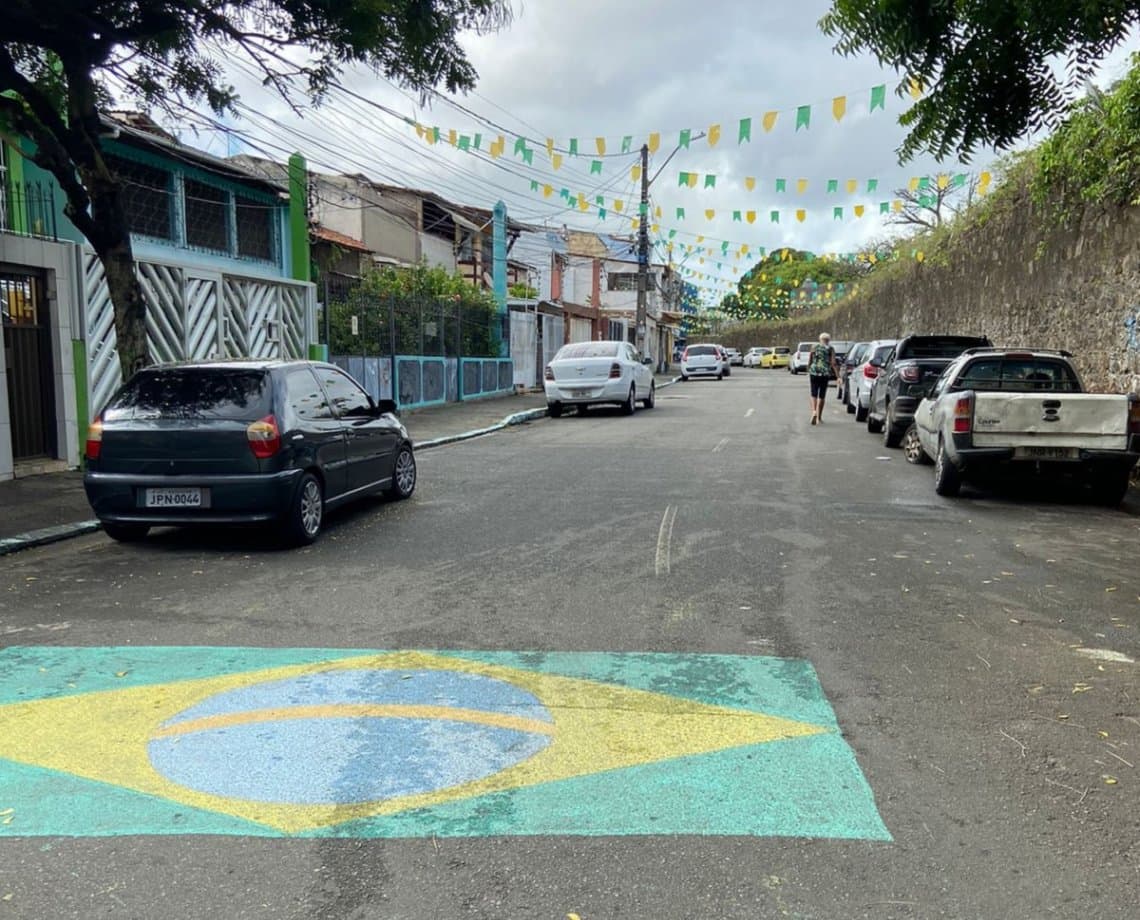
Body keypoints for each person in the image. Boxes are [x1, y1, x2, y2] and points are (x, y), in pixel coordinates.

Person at [807, 332, 840, 425]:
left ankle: (813, 411)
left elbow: (810, 359)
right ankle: (819, 417)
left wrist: (809, 368)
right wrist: (838, 376)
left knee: (813, 393)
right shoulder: (830, 349)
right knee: (822, 395)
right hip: (824, 373)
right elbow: (833, 363)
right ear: (828, 340)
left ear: (820, 339)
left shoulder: (814, 347)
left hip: (814, 371)